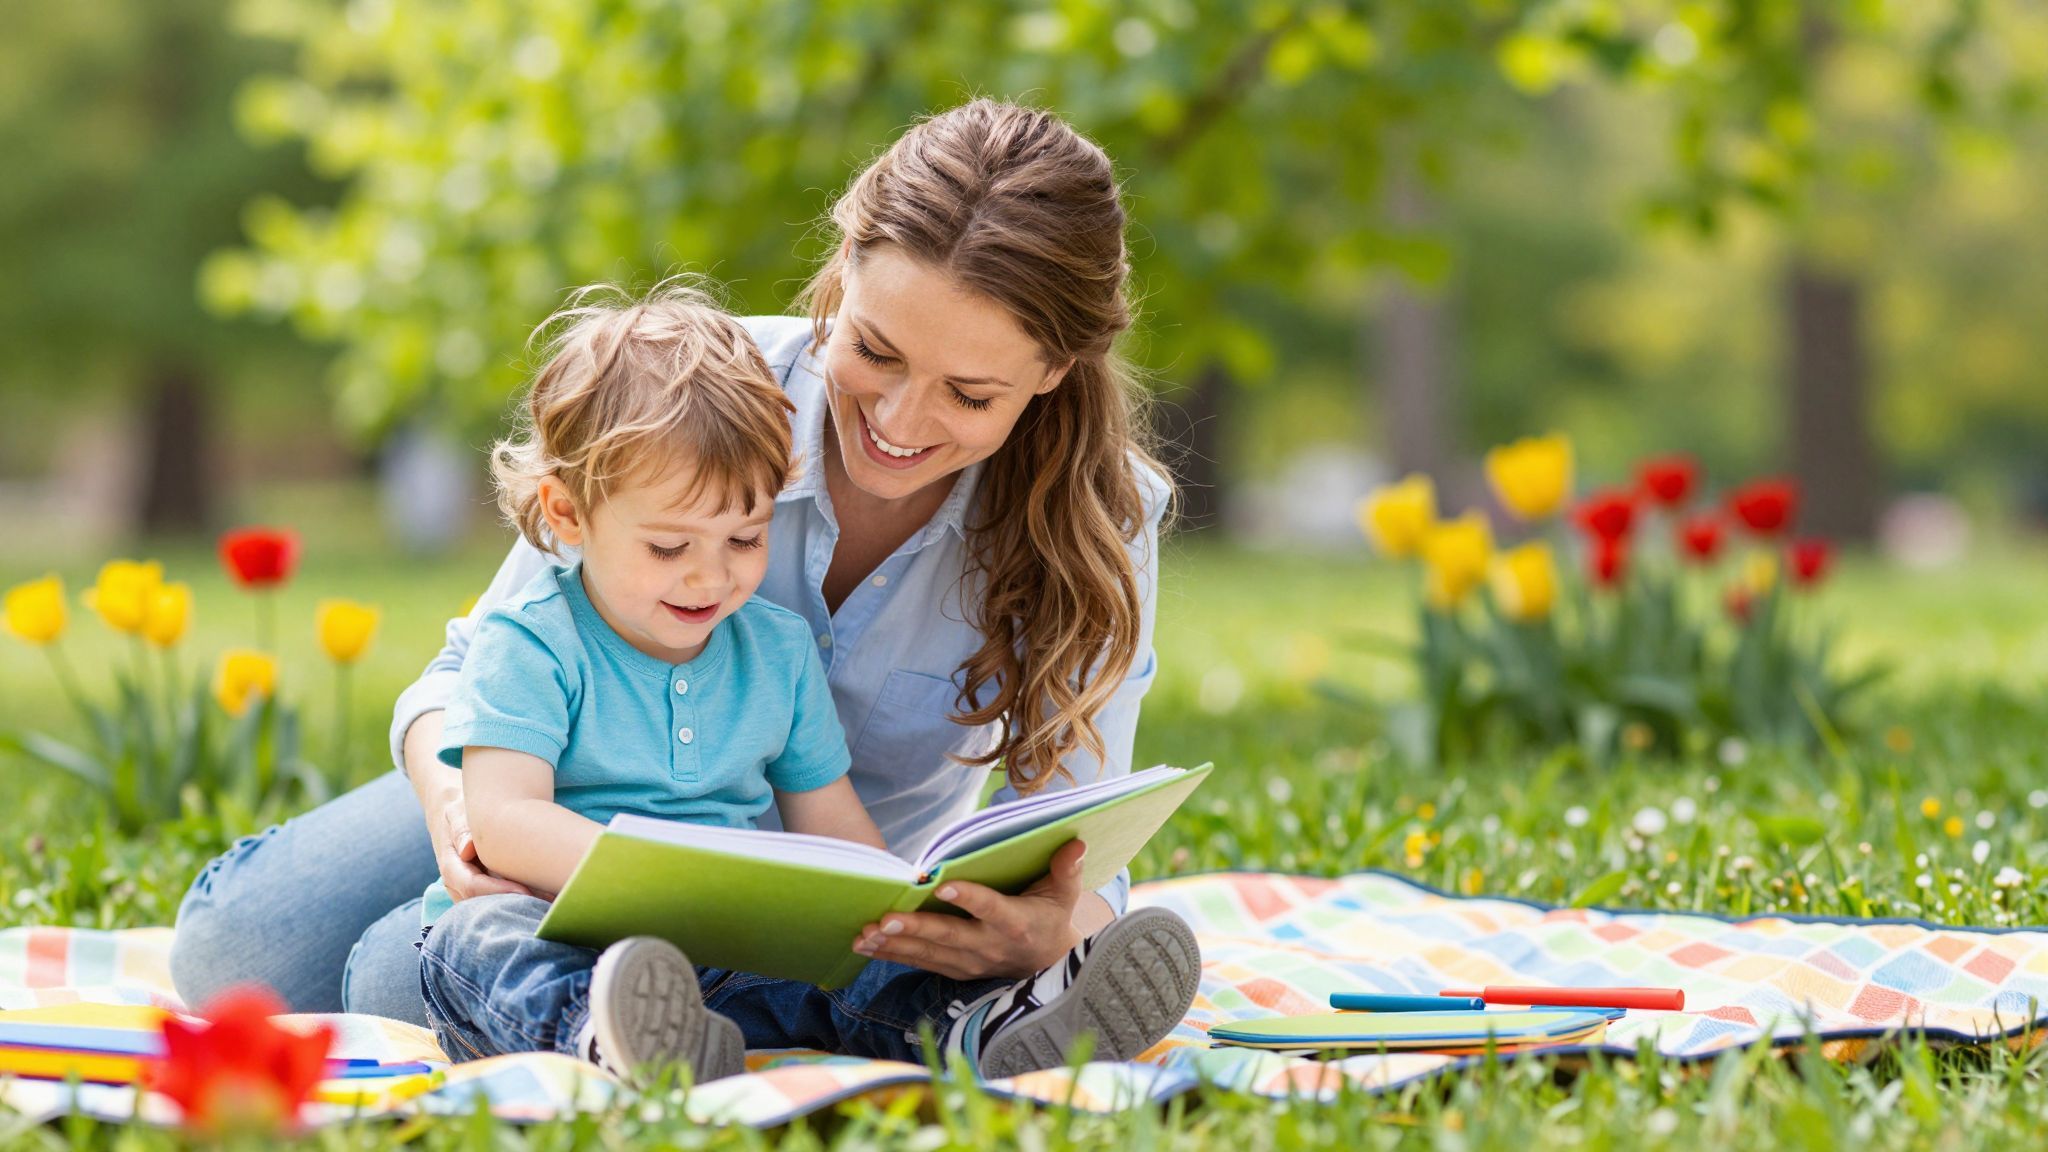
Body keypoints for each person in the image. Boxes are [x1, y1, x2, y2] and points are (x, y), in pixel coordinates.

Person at [171, 99, 1199, 1078]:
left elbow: (1073, 830)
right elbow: (476, 664)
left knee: (396, 976)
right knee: (242, 955)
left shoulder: (1102, 517)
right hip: (557, 789)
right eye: (874, 349)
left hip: (816, 890)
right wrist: (457, 807)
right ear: (843, 269)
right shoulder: (697, 387)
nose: (896, 416)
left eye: (969, 395)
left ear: (1056, 369)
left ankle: (970, 1023)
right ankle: (635, 1003)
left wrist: (1047, 927)